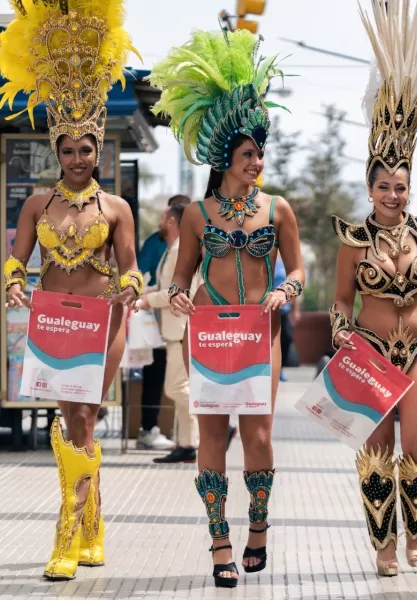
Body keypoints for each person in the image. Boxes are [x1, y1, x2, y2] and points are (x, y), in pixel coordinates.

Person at [148, 26, 305, 588]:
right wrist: (178, 295)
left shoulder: (279, 209)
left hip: (259, 334)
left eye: (260, 153)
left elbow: (300, 271)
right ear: (225, 158)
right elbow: (183, 274)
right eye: (246, 154)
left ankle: (257, 529)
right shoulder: (197, 215)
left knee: (259, 435)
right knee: (211, 434)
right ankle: (219, 543)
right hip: (209, 334)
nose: (256, 162)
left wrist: (286, 292)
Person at [0, 0, 141, 581]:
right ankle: (92, 523)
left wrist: (130, 289)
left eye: (87, 148)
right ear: (56, 151)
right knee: (73, 421)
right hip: (56, 323)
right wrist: (13, 285)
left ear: (98, 151)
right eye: (69, 149)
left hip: (102, 323)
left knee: (84, 417)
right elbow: (16, 259)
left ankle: (68, 531)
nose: (79, 158)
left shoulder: (118, 207)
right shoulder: (38, 203)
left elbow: (130, 267)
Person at [330, 0, 417, 578]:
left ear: (411, 188)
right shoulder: (351, 238)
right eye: (385, 186)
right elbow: (341, 299)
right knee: (376, 452)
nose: (394, 194)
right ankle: (383, 547)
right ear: (370, 188)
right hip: (368, 352)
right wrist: (341, 333)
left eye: (401, 186)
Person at [139, 203, 200, 463]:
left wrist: (147, 301)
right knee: (180, 387)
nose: (161, 222)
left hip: (182, 329)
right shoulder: (173, 249)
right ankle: (187, 444)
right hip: (175, 330)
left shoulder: (182, 250)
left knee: (177, 388)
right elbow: (165, 285)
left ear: (173, 221)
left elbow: (180, 291)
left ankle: (207, 433)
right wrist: (142, 292)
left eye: (164, 217)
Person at [273, 255, 301, 381]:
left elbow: (295, 284)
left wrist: (295, 310)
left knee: (286, 339)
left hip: (283, 309)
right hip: (267, 308)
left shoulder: (285, 263)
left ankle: (281, 368)